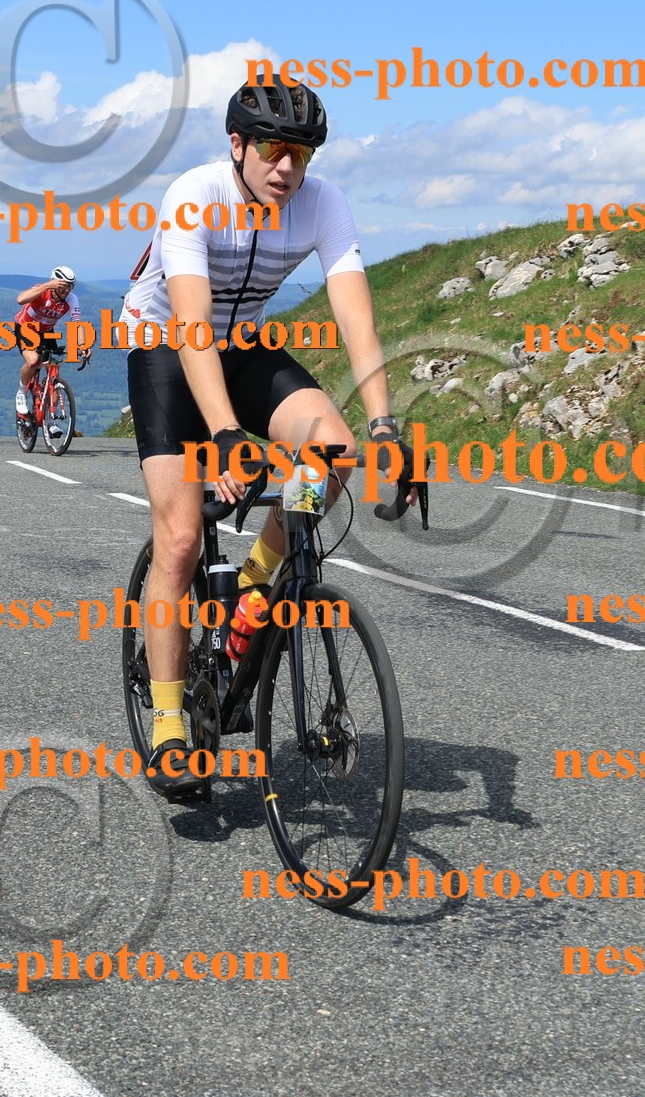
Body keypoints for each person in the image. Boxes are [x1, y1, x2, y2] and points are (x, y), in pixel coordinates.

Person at [120, 81, 419, 795]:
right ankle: (169, 723)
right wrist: (225, 434)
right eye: (272, 149)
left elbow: (356, 319)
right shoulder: (194, 196)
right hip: (167, 345)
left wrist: (385, 424)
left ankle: (257, 581)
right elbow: (192, 324)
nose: (287, 167)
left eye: (301, 154)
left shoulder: (323, 203)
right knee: (181, 539)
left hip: (244, 345)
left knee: (334, 452)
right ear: (238, 145)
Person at [14, 267, 90, 428]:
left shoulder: (71, 299)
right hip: (26, 328)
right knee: (33, 361)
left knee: (54, 371)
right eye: (63, 286)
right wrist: (47, 285)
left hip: (47, 332)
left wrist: (83, 345)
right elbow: (20, 299)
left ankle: (50, 420)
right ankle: (21, 392)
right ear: (55, 283)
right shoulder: (41, 290)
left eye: (70, 286)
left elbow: (77, 324)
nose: (67, 290)